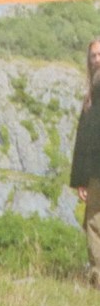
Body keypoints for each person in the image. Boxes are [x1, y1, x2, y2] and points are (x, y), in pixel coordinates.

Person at [70, 36, 100, 286]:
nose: (97, 59)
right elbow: (84, 141)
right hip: (95, 173)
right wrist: (81, 179)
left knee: (94, 223)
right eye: (94, 56)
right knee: (93, 222)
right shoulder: (90, 94)